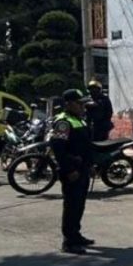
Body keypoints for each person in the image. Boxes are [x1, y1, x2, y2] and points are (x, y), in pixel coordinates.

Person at [50, 89, 95, 255]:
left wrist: (90, 165)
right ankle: (68, 241)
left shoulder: (79, 120)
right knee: (71, 206)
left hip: (82, 169)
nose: (82, 106)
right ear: (69, 104)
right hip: (72, 171)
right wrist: (69, 170)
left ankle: (76, 234)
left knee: (79, 204)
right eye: (79, 103)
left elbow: (86, 146)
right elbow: (58, 149)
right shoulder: (63, 122)